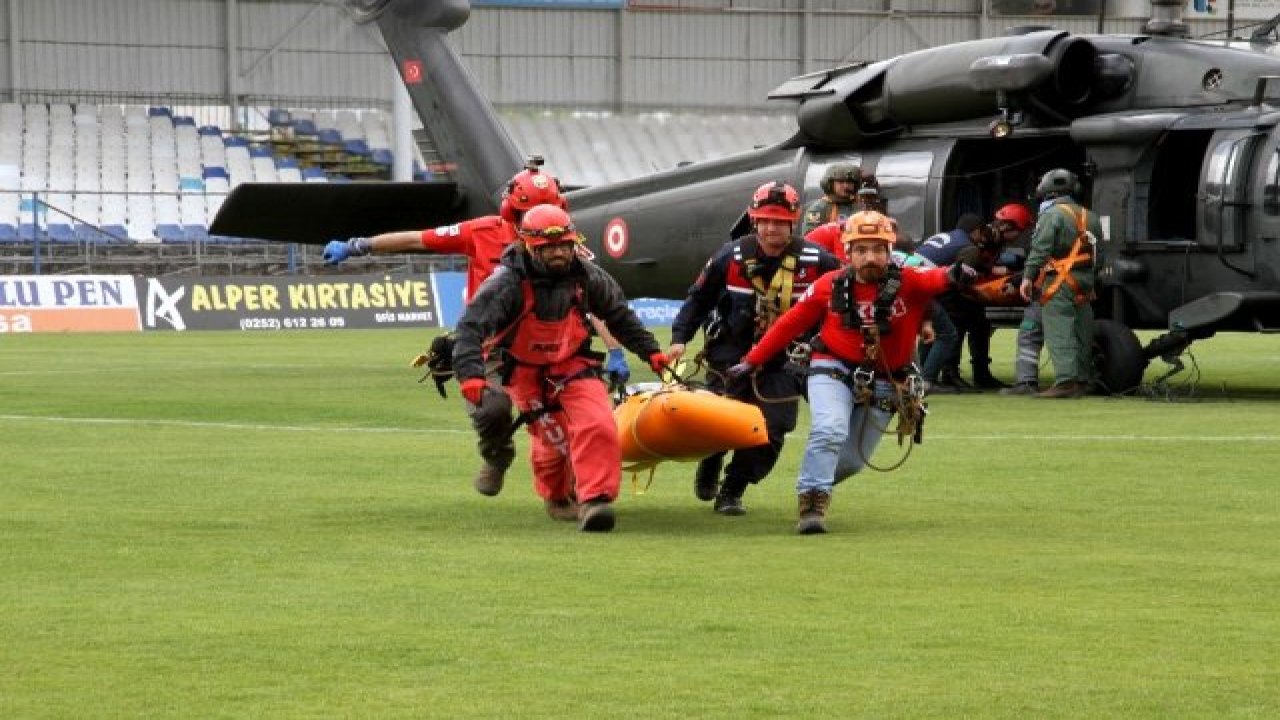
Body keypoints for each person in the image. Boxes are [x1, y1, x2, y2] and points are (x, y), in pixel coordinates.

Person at [321, 162, 631, 497]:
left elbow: (594, 301)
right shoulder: (480, 232)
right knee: (492, 408)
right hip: (490, 346)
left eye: (549, 210)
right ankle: (497, 455)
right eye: (527, 211)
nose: (537, 218)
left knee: (577, 415)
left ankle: (580, 490)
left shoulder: (565, 246)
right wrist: (361, 245)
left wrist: (614, 349)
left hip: (555, 345)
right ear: (510, 210)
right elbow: (418, 239)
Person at [727, 210, 976, 534]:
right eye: (861, 249)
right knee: (829, 429)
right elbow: (790, 323)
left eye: (877, 249)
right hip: (832, 368)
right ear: (847, 252)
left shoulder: (911, 281)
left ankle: (814, 480)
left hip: (889, 380)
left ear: (890, 252)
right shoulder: (827, 285)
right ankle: (812, 505)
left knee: (852, 462)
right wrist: (751, 360)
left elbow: (940, 277)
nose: (870, 257)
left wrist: (959, 272)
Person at [452, 204, 667, 532]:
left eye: (564, 246)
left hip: (572, 362)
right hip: (524, 370)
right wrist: (470, 375)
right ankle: (556, 498)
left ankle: (595, 501)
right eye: (549, 247)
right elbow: (470, 328)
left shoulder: (588, 276)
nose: (558, 253)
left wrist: (650, 352)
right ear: (530, 247)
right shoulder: (506, 282)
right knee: (555, 442)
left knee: (598, 424)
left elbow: (618, 315)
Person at [669, 181, 842, 515]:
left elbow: (848, 293)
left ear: (795, 220)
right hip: (729, 354)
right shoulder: (730, 256)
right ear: (752, 219)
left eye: (779, 221)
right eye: (764, 220)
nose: (770, 228)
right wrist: (679, 337)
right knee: (721, 420)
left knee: (772, 428)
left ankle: (733, 489)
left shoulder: (819, 261)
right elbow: (698, 299)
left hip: (786, 359)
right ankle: (712, 458)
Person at [1019, 168, 1103, 398]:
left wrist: (1027, 276)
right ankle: (1083, 380)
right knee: (1082, 329)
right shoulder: (1090, 216)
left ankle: (1066, 381)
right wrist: (1092, 280)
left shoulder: (1052, 215)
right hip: (1084, 279)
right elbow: (1099, 254)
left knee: (1060, 329)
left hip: (1059, 280)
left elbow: (1040, 249)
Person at [916, 213, 1005, 390]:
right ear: (977, 231)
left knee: (932, 328)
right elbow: (960, 282)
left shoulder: (948, 236)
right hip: (927, 286)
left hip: (915, 282)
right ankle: (936, 378)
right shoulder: (969, 247)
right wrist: (981, 295)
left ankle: (923, 376)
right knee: (950, 329)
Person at [800, 163, 861, 236]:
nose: (846, 186)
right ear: (830, 184)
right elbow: (810, 236)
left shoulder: (860, 205)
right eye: (840, 182)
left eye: (850, 182)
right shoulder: (819, 209)